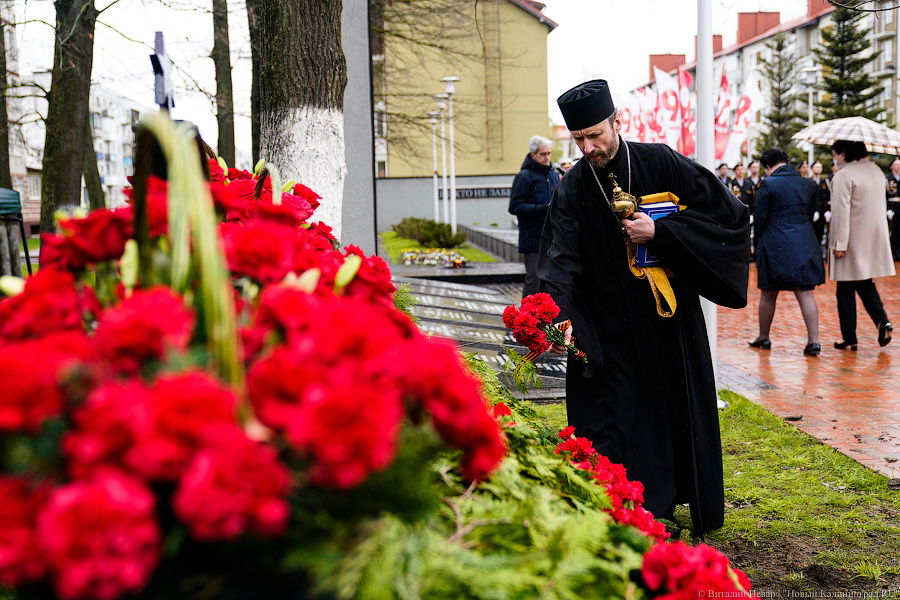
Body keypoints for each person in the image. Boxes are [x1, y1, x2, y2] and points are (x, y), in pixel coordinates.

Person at [538, 79, 750, 533]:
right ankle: (622, 501)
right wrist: (560, 316)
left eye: (595, 135)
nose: (589, 148)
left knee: (668, 410)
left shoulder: (660, 162)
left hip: (666, 319)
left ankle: (668, 498)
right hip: (607, 324)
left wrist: (661, 234)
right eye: (579, 139)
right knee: (613, 415)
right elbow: (559, 260)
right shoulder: (572, 188)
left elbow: (727, 216)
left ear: (617, 122)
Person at [748, 148, 825, 356]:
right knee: (805, 291)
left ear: (767, 167)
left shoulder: (768, 183)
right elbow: (811, 214)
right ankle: (814, 341)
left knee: (768, 292)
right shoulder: (808, 183)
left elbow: (760, 218)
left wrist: (758, 243)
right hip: (804, 241)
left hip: (775, 243)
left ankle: (764, 337)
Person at [829, 140, 895, 350]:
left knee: (845, 289)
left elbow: (840, 212)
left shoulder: (844, 175)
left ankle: (850, 337)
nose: (835, 159)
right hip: (873, 238)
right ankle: (882, 321)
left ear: (843, 153)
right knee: (865, 283)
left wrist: (839, 243)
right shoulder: (876, 171)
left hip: (851, 240)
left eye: (835, 154)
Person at [509, 135, 560, 297]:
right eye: (543, 154)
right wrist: (542, 209)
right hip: (532, 239)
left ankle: (548, 313)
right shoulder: (524, 176)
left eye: (549, 154)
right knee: (534, 280)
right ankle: (526, 313)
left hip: (552, 238)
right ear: (533, 155)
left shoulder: (553, 175)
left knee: (552, 281)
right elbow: (515, 206)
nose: (547, 158)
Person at [809, 161, 830, 248]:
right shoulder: (808, 181)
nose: (819, 169)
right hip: (812, 212)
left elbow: (826, 197)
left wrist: (827, 210)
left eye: (820, 167)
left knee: (820, 234)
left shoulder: (824, 181)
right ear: (812, 169)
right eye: (816, 167)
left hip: (822, 212)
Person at [886, 157, 900, 260]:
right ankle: (892, 254)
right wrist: (887, 209)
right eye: (896, 164)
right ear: (891, 167)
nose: (898, 166)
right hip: (892, 207)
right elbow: (884, 195)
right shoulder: (887, 178)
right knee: (892, 232)